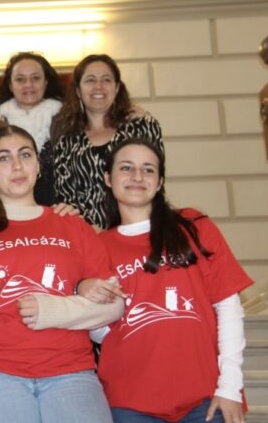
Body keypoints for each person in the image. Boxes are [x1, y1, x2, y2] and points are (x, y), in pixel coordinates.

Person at [0, 125, 122, 423]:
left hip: (72, 372)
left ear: (38, 166)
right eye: (3, 158)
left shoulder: (73, 225)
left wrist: (53, 310)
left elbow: (114, 305)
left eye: (25, 155)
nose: (17, 165)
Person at [94, 138, 252, 423]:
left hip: (204, 398)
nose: (137, 177)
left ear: (160, 181)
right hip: (129, 401)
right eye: (126, 168)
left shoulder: (194, 226)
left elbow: (228, 306)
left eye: (148, 169)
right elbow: (99, 329)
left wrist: (230, 386)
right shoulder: (96, 247)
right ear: (108, 178)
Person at [52, 53, 163, 230]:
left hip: (138, 229)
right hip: (87, 234)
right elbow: (66, 198)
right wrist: (93, 231)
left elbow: (154, 179)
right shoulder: (66, 140)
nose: (99, 86)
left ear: (117, 88)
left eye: (106, 80)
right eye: (90, 80)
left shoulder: (142, 127)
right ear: (78, 90)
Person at [0, 52, 64, 206]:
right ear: (10, 85)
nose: (28, 85)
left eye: (35, 78)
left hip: (58, 209)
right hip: (8, 209)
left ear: (46, 82)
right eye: (20, 79)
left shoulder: (67, 120)